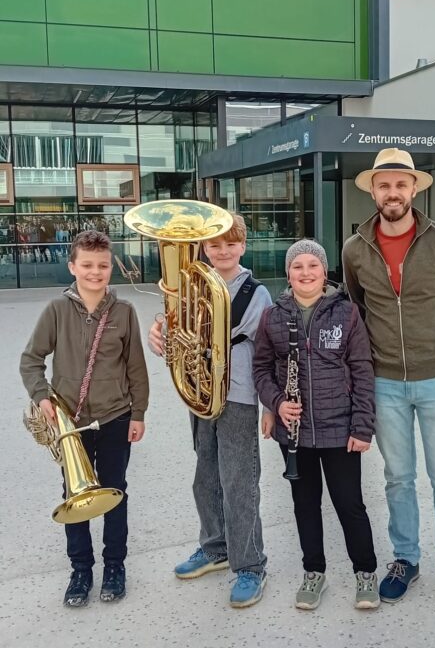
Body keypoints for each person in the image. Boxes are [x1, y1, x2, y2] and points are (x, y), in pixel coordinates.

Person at [342, 148, 435, 608]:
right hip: (384, 383)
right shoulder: (355, 248)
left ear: (414, 189)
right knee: (398, 478)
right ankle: (405, 558)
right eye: (384, 185)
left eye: (401, 184)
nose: (393, 192)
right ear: (373, 191)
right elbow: (358, 308)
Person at [148, 213, 272, 609]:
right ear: (204, 247)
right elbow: (177, 328)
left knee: (239, 481)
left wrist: (270, 404)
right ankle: (215, 547)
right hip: (200, 391)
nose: (223, 251)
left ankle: (250, 564)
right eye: (215, 244)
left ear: (243, 247)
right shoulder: (193, 285)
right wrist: (163, 336)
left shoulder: (256, 292)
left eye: (231, 244)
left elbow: (267, 351)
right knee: (205, 476)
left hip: (238, 395)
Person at [20, 230, 149, 608]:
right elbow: (31, 360)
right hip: (71, 423)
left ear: (112, 268)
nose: (95, 272)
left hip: (115, 416)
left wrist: (138, 413)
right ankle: (80, 569)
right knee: (74, 496)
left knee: (115, 492)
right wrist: (42, 396)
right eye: (88, 265)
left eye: (103, 265)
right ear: (72, 266)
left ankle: (115, 566)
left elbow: (136, 368)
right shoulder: (56, 310)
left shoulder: (124, 312)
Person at [253, 240, 379, 612]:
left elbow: (362, 370)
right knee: (305, 505)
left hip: (340, 428)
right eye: (297, 266)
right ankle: (314, 571)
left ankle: (365, 572)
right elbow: (261, 369)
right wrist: (277, 402)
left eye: (313, 265)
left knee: (349, 504)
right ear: (288, 273)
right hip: (295, 432)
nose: (305, 273)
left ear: (325, 272)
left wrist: (363, 427)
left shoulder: (347, 313)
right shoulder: (272, 317)